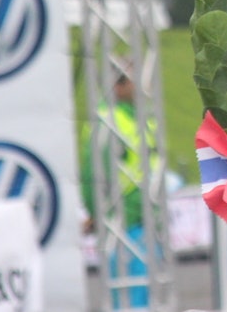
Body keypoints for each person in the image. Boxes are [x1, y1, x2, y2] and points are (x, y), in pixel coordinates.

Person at [80, 59, 158, 310]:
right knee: (129, 297)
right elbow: (92, 172)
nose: (143, 86)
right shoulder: (108, 119)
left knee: (144, 294)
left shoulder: (141, 117)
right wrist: (97, 212)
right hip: (123, 220)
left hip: (145, 217)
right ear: (119, 85)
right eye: (136, 80)